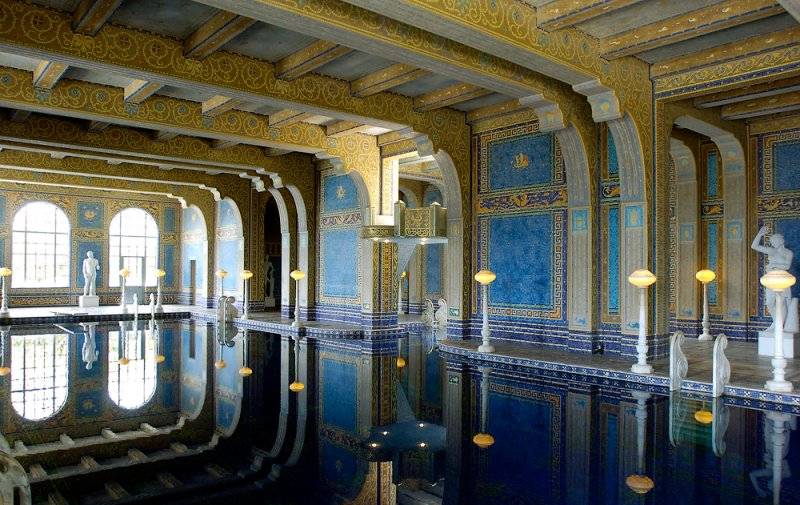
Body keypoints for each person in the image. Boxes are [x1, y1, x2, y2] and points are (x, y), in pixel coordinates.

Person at [752, 225, 795, 330]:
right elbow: (754, 246)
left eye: (774, 241)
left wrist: (774, 265)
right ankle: (776, 322)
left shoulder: (788, 253)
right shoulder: (771, 251)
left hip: (783, 279)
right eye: (771, 241)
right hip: (771, 278)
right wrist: (760, 234)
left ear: (781, 241)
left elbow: (787, 266)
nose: (772, 243)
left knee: (782, 301)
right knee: (770, 302)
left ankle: (779, 325)